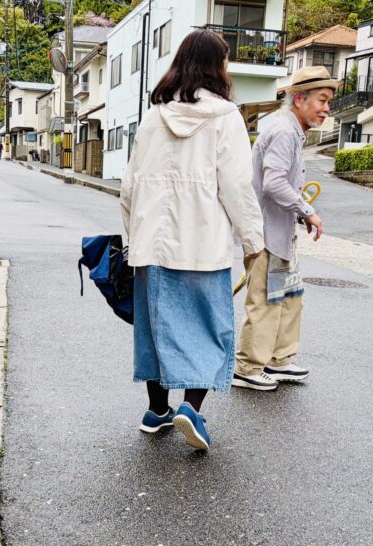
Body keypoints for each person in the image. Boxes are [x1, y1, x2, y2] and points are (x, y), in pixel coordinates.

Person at [120, 29, 264, 451]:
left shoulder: (152, 117)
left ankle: (156, 410)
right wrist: (252, 240)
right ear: (216, 67)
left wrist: (134, 235)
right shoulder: (225, 117)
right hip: (202, 245)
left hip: (151, 245)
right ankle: (191, 409)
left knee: (154, 327)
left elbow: (129, 187)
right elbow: (237, 186)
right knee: (206, 327)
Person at [233, 65, 337, 391]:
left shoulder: (292, 130)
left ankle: (279, 360)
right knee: (265, 301)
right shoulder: (283, 131)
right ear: (299, 99)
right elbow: (274, 182)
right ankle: (248, 367)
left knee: (289, 297)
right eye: (321, 100)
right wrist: (308, 210)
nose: (326, 108)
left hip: (279, 234)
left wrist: (302, 216)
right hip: (264, 235)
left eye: (328, 102)